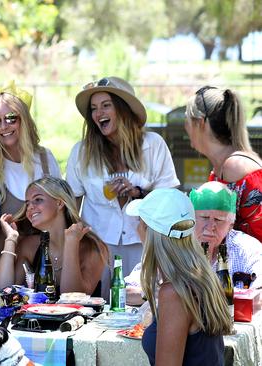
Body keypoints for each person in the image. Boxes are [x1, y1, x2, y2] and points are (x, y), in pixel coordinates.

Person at [66, 76, 179, 298]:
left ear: (124, 109)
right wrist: (75, 245)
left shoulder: (153, 145)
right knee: (97, 308)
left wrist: (139, 194)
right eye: (94, 108)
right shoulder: (81, 152)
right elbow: (72, 205)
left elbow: (169, 200)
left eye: (106, 105)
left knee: (141, 305)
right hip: (98, 247)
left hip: (143, 244)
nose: (98, 114)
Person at [0, 81, 61, 286]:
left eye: (10, 118)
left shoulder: (45, 159)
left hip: (42, 265)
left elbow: (61, 209)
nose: (3, 127)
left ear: (24, 120)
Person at [126, 188, 231, 365]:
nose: (137, 228)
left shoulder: (175, 292)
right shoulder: (199, 276)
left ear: (148, 230)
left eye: (139, 222)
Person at [0, 176, 108, 295]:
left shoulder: (93, 247)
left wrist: (71, 243)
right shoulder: (30, 246)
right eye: (27, 203)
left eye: (38, 200)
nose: (30, 207)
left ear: (59, 203)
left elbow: (72, 297)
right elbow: (2, 291)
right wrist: (11, 239)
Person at [185, 86, 262, 242]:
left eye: (186, 119)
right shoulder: (220, 169)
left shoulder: (234, 167)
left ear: (200, 123)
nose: (185, 127)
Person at [190, 181, 262, 288]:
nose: (210, 227)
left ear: (230, 225)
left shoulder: (247, 249)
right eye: (204, 217)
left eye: (218, 220)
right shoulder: (177, 245)